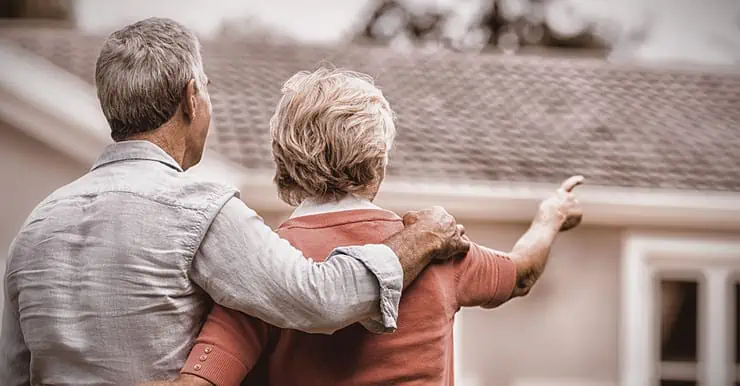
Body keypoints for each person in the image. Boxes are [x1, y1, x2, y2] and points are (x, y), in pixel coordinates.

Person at [0, 19, 470, 385]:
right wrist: (420, 239)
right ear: (191, 99)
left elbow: (13, 373)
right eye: (205, 85)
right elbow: (323, 299)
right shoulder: (199, 209)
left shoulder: (36, 226)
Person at [160, 69, 585, 386]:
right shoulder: (438, 247)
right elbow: (522, 272)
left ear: (284, 160)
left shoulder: (262, 267)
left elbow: (207, 377)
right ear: (378, 160)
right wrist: (551, 214)